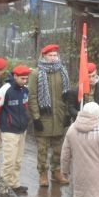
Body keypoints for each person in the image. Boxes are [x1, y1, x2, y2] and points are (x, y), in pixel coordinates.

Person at [28, 44, 70, 187]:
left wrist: (67, 114)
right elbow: (32, 96)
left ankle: (56, 172)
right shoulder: (36, 73)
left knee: (58, 148)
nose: (53, 58)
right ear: (44, 56)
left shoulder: (62, 72)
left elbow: (67, 95)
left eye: (55, 55)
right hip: (43, 117)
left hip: (58, 116)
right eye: (50, 55)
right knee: (42, 149)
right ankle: (43, 173)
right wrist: (36, 117)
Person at [0, 65, 31, 196]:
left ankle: (14, 184)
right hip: (9, 130)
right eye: (22, 78)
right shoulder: (5, 89)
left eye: (26, 78)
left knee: (18, 160)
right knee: (9, 160)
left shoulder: (25, 90)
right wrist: (3, 125)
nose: (25, 81)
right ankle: (3, 188)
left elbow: (25, 107)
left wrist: (26, 120)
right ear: (15, 76)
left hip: (22, 130)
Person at [64, 62, 99, 129]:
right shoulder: (76, 91)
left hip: (98, 124)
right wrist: (79, 114)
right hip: (81, 124)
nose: (91, 79)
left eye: (93, 76)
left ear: (96, 74)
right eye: (89, 76)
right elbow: (71, 108)